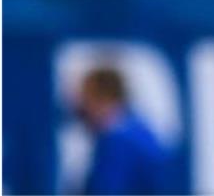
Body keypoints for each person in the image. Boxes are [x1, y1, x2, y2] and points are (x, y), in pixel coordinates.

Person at [73, 65, 172, 195]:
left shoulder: (119, 144)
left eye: (86, 100)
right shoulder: (138, 132)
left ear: (104, 99)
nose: (81, 109)